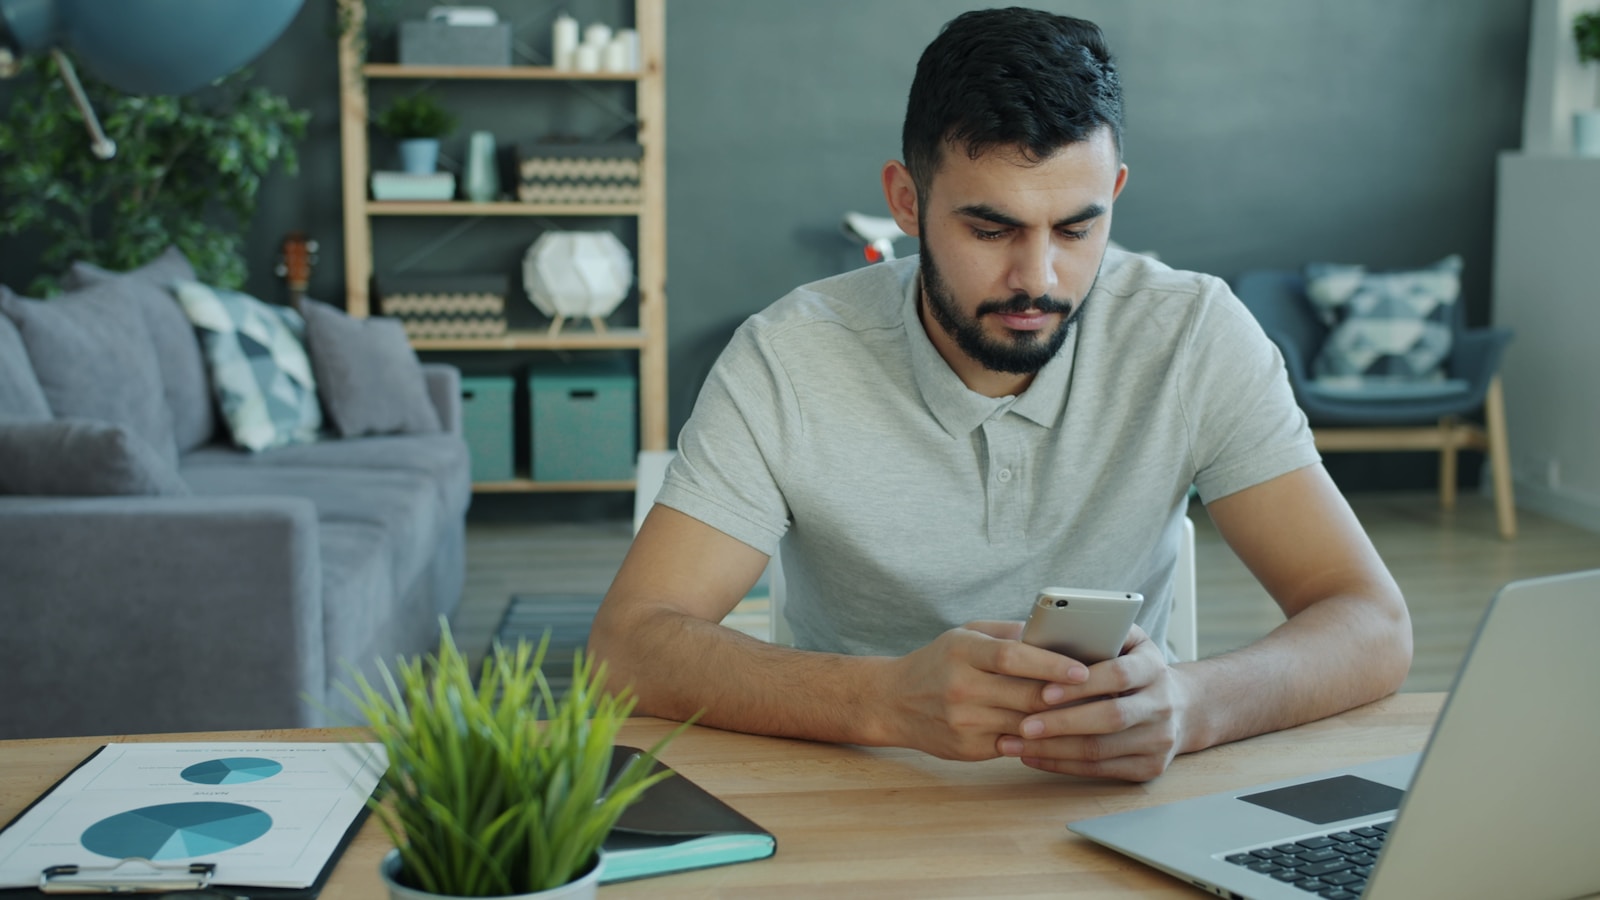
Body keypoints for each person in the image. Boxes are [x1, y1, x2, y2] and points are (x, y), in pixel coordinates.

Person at [589, 7, 1411, 782]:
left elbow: (1371, 625)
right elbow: (625, 647)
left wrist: (1193, 705)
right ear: (907, 202)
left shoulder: (1192, 332)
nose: (1038, 279)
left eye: (1076, 228)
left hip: (1103, 796)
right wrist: (881, 702)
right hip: (853, 787)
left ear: (1115, 194)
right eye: (991, 229)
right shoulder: (788, 358)